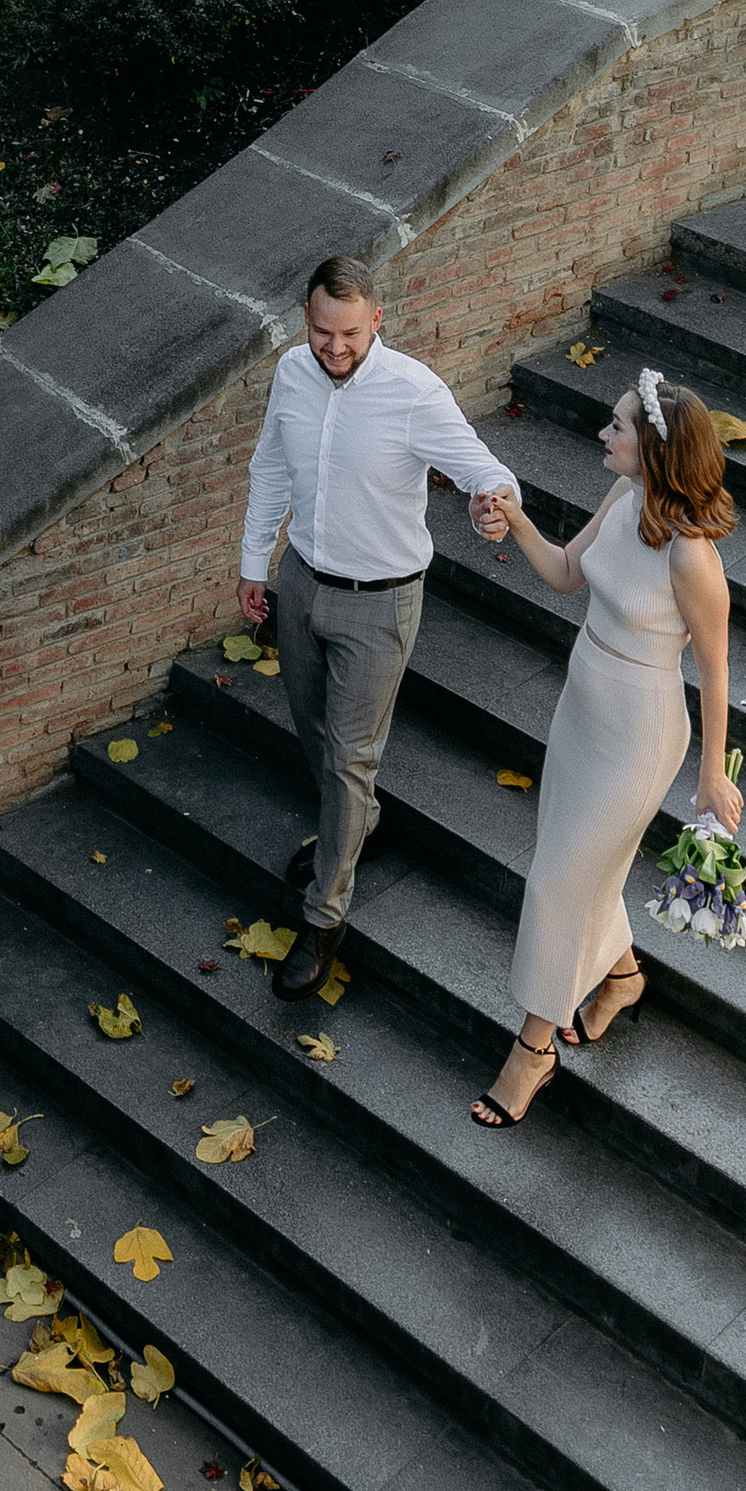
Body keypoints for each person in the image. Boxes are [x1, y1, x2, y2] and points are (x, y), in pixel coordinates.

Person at [238, 257, 521, 1003]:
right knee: (312, 733)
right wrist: (252, 564)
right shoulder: (293, 375)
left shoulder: (414, 393)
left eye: (351, 334)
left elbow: (483, 471)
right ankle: (359, 823)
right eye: (322, 331)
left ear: (378, 321)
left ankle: (323, 916)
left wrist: (492, 503)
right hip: (300, 582)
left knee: (346, 758)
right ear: (305, 319)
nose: (335, 348)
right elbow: (270, 468)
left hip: (380, 603)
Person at [470, 365, 742, 1126]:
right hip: (583, 706)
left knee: (559, 882)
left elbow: (716, 668)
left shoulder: (692, 557)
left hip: (641, 731)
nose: (603, 432)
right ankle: (620, 977)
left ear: (654, 449)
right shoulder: (626, 496)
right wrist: (515, 517)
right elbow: (564, 573)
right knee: (579, 868)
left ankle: (533, 1051)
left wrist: (712, 775)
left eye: (618, 425)